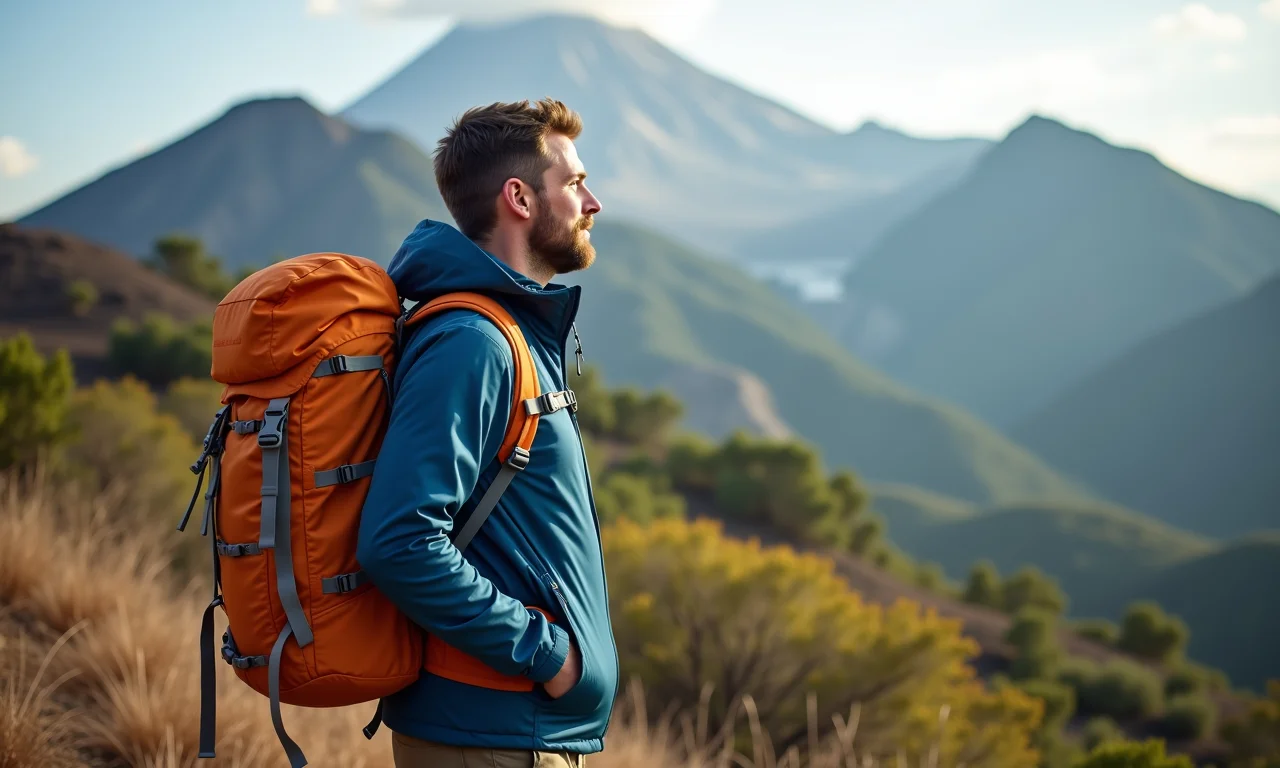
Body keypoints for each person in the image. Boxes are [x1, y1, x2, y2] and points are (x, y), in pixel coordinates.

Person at [356, 98, 617, 768]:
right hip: (490, 740)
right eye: (574, 183)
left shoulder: (504, 330)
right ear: (519, 199)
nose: (593, 203)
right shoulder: (473, 342)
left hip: (512, 734)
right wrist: (547, 655)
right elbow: (400, 540)